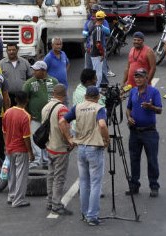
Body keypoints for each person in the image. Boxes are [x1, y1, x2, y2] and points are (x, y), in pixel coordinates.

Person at [61, 86, 109, 226]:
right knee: (95, 183)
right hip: (94, 148)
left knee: (84, 182)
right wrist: (106, 139)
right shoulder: (98, 108)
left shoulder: (77, 107)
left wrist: (70, 138)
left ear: (86, 96)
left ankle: (84, 213)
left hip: (81, 148)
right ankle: (92, 216)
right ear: (97, 97)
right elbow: (102, 125)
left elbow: (62, 122)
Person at [125, 68, 162, 197]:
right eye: (136, 77)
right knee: (134, 159)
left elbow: (159, 110)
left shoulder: (154, 92)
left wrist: (151, 107)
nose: (138, 79)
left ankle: (154, 186)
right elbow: (128, 108)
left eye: (141, 77)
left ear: (147, 78)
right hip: (134, 132)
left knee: (152, 160)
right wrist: (129, 118)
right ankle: (134, 185)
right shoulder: (133, 91)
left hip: (149, 132)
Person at [42, 84, 74, 215]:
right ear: (64, 94)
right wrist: (69, 141)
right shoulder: (62, 108)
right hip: (60, 147)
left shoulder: (46, 107)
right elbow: (63, 126)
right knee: (59, 178)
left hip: (49, 146)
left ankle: (50, 202)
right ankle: (56, 204)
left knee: (50, 175)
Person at [23, 61, 58, 168]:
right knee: (35, 138)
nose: (33, 72)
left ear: (43, 71)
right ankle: (37, 160)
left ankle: (47, 160)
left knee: (49, 138)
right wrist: (27, 114)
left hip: (50, 118)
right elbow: (24, 100)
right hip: (35, 117)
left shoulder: (54, 81)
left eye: (36, 70)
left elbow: (59, 97)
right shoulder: (29, 83)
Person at [3, 91, 34, 208]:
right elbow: (26, 137)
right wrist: (30, 152)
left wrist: (6, 145)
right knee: (21, 174)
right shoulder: (26, 116)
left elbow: (4, 131)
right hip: (20, 149)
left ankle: (11, 196)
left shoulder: (7, 112)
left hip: (10, 147)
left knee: (12, 174)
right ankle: (18, 200)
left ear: (15, 99)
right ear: (27, 100)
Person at [88, 10, 108, 86]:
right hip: (97, 54)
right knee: (98, 74)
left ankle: (96, 89)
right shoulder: (99, 29)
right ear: (102, 19)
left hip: (93, 53)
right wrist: (102, 53)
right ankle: (96, 89)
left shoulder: (93, 27)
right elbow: (98, 44)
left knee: (96, 71)